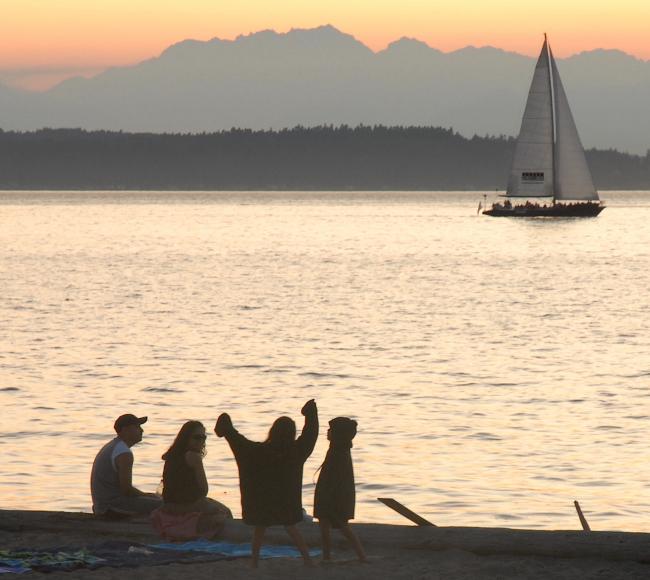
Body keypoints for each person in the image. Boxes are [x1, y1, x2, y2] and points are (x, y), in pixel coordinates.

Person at [214, 399, 318, 568]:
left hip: (263, 501)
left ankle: (254, 562)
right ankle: (307, 559)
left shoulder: (258, 451)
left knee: (260, 529)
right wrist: (311, 414)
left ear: (273, 431)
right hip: (285, 501)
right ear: (291, 433)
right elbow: (310, 435)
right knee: (291, 527)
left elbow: (239, 443)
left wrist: (227, 428)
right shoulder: (295, 452)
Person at [153, 420, 232, 539]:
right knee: (225, 512)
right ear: (186, 438)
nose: (201, 441)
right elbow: (204, 489)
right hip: (190, 504)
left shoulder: (170, 456)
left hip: (170, 504)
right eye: (197, 437)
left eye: (203, 438)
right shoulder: (193, 456)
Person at [313, 417, 367, 562]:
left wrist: (327, 496)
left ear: (337, 434)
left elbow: (336, 479)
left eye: (331, 430)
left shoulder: (339, 452)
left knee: (341, 526)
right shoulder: (339, 449)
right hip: (330, 494)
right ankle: (328, 556)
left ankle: (361, 556)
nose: (328, 431)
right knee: (328, 525)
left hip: (333, 496)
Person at [90, 414, 162, 517]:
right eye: (137, 427)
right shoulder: (124, 453)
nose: (142, 430)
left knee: (155, 499)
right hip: (111, 507)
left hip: (102, 504)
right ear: (125, 430)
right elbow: (127, 490)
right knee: (165, 505)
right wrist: (147, 495)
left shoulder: (114, 446)